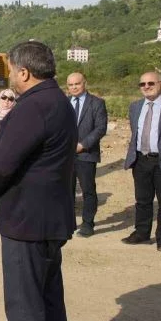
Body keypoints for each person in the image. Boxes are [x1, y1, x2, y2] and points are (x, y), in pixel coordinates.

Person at [0, 41, 77, 321]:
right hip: (48, 222)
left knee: (26, 311)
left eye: (10, 69)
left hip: (26, 224)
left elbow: (0, 164)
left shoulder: (33, 105)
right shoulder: (58, 100)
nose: (8, 75)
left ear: (23, 72)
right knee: (48, 305)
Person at [122, 71, 161, 253]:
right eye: (142, 84)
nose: (146, 87)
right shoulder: (135, 107)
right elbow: (136, 133)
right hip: (141, 160)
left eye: (151, 83)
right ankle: (141, 233)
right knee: (142, 200)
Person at [66, 72, 107, 238]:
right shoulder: (64, 103)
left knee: (88, 190)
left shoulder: (96, 103)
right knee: (67, 191)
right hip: (65, 155)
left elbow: (100, 128)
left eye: (77, 83)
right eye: (70, 85)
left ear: (85, 83)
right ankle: (69, 223)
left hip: (86, 154)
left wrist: (83, 145)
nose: (74, 87)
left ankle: (88, 224)